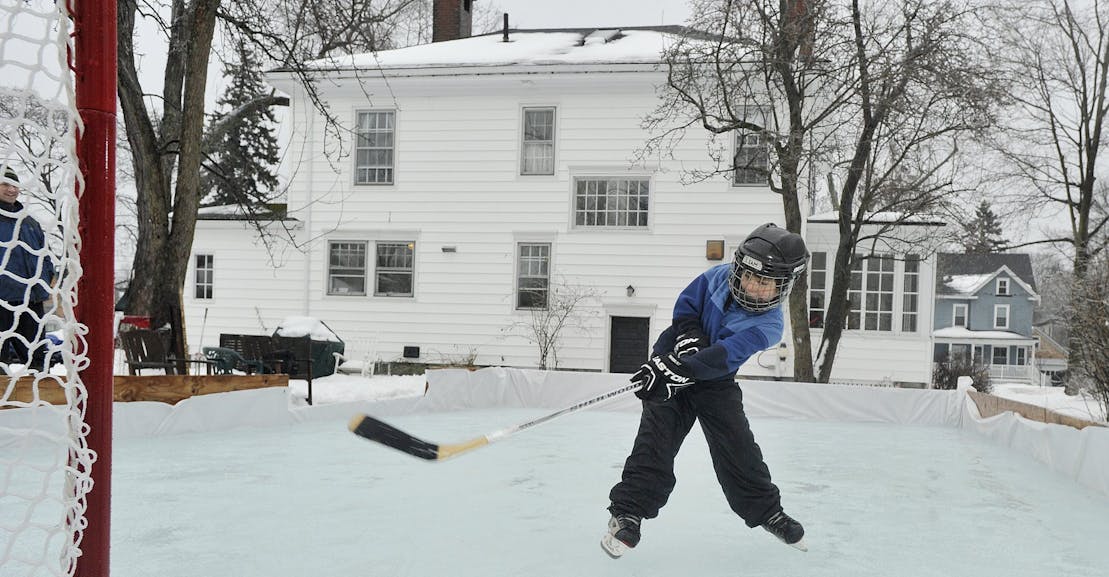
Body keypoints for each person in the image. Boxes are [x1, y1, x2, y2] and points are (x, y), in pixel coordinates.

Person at [601, 222, 810, 558]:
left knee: (737, 444)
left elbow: (726, 354)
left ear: (783, 286)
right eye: (748, 275)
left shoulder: (768, 326)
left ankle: (767, 511)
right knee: (656, 438)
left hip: (715, 378)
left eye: (764, 282)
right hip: (674, 354)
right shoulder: (718, 277)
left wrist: (685, 369)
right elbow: (686, 306)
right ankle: (628, 512)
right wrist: (681, 348)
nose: (752, 286)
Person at [0, 165, 56, 368]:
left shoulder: (30, 222)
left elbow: (45, 255)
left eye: (14, 185)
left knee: (38, 359)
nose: (11, 189)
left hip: (30, 302)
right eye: (5, 184)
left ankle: (40, 397)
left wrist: (45, 279)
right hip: (2, 301)